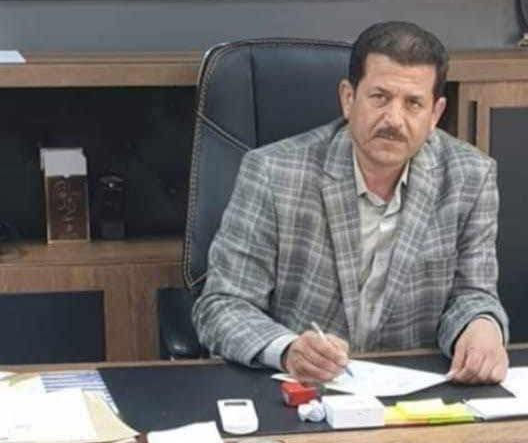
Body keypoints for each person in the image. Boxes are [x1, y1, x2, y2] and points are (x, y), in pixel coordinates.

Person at [193, 21, 509, 385]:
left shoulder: (471, 177)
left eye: (413, 104)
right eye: (380, 97)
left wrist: (481, 325)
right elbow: (222, 305)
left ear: (435, 114)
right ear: (348, 98)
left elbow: (473, 293)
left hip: (413, 394)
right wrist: (287, 349)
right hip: (301, 389)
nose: (394, 119)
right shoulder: (273, 172)